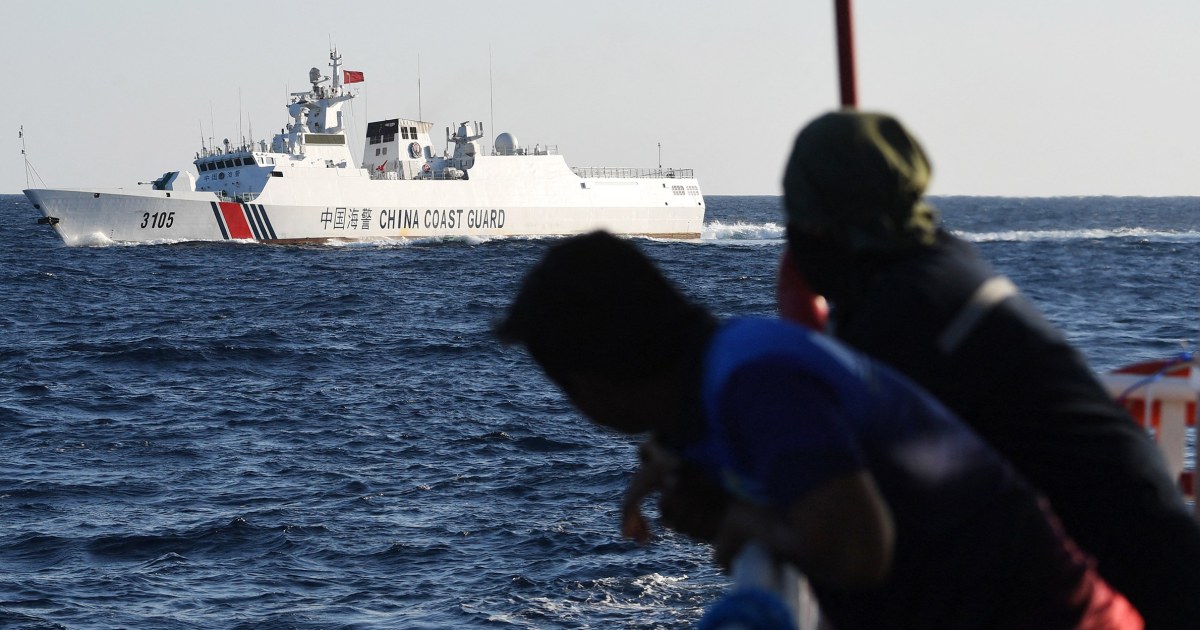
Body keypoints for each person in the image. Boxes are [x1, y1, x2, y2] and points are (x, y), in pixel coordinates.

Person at [496, 231, 1142, 629]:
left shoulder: (760, 383)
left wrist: (751, 524)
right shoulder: (740, 358)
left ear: (594, 382)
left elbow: (860, 549)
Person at [779, 110, 1200, 629]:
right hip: (1143, 549)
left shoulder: (911, 314)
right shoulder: (942, 266)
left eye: (801, 218)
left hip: (1129, 579)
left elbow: (837, 476)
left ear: (827, 223)